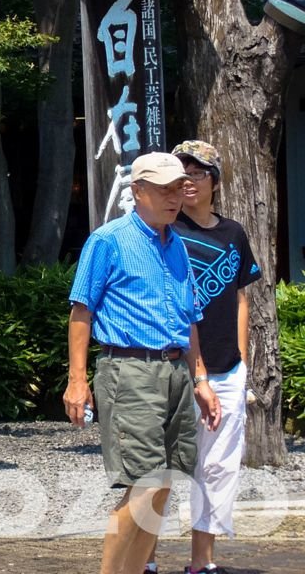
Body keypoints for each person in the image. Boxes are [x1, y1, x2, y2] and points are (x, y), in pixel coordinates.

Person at [64, 151, 222, 574]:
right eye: (165, 189)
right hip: (129, 371)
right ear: (138, 191)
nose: (176, 197)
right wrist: (76, 382)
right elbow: (81, 313)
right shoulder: (108, 241)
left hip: (175, 373)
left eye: (179, 188)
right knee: (142, 486)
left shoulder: (178, 247)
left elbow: (189, 319)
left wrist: (201, 378)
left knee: (162, 486)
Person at [143, 141, 261, 574]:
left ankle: (202, 562)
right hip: (172, 368)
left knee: (218, 468)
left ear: (215, 180)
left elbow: (241, 297)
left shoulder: (233, 233)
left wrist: (242, 358)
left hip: (226, 369)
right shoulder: (162, 234)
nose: (188, 181)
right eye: (181, 173)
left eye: (198, 172)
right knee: (156, 469)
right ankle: (146, 561)